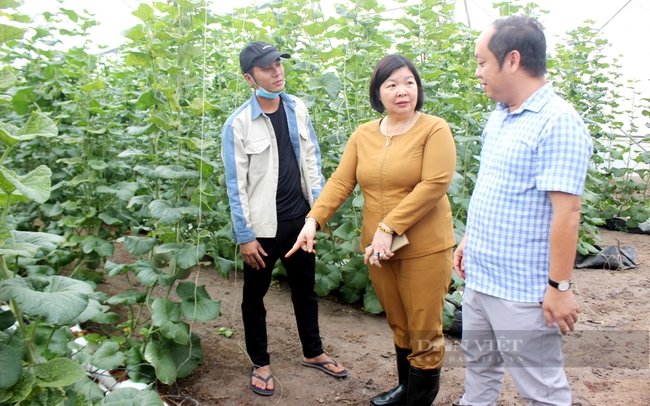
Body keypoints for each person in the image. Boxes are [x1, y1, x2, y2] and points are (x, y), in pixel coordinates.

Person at [287, 54, 457, 406]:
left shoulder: (433, 128)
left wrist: (389, 225)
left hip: (424, 246)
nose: (402, 91)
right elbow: (340, 181)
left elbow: (435, 183)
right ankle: (405, 390)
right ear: (378, 92)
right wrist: (312, 220)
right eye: (391, 84)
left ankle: (418, 399)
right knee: (399, 322)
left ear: (418, 88)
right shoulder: (364, 134)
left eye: (409, 82)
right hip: (379, 249)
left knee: (424, 328)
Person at [452, 16, 593, 406]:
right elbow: (495, 189)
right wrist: (469, 240)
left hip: (522, 291)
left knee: (543, 390)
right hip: (481, 278)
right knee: (479, 372)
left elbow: (567, 213)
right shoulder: (500, 115)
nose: (477, 72)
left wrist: (559, 289)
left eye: (482, 62)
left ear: (512, 60)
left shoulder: (558, 122)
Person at [220, 41, 347, 397]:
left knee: (305, 290)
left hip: (299, 221)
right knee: (254, 296)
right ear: (249, 78)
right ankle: (260, 362)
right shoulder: (238, 125)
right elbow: (237, 185)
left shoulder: (297, 108)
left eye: (278, 64)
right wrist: (245, 236)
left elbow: (311, 161)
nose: (277, 72)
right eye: (266, 68)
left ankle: (313, 352)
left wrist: (317, 214)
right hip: (262, 228)